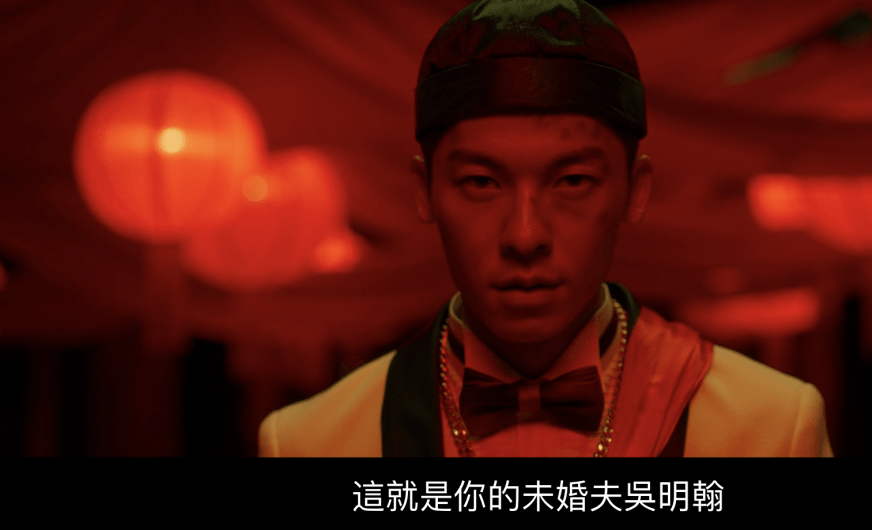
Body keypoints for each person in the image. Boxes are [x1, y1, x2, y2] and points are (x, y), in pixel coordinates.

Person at [259, 0, 832, 457]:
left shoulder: (769, 428)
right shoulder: (312, 443)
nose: (525, 234)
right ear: (424, 190)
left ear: (635, 190)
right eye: (481, 182)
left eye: (572, 181)